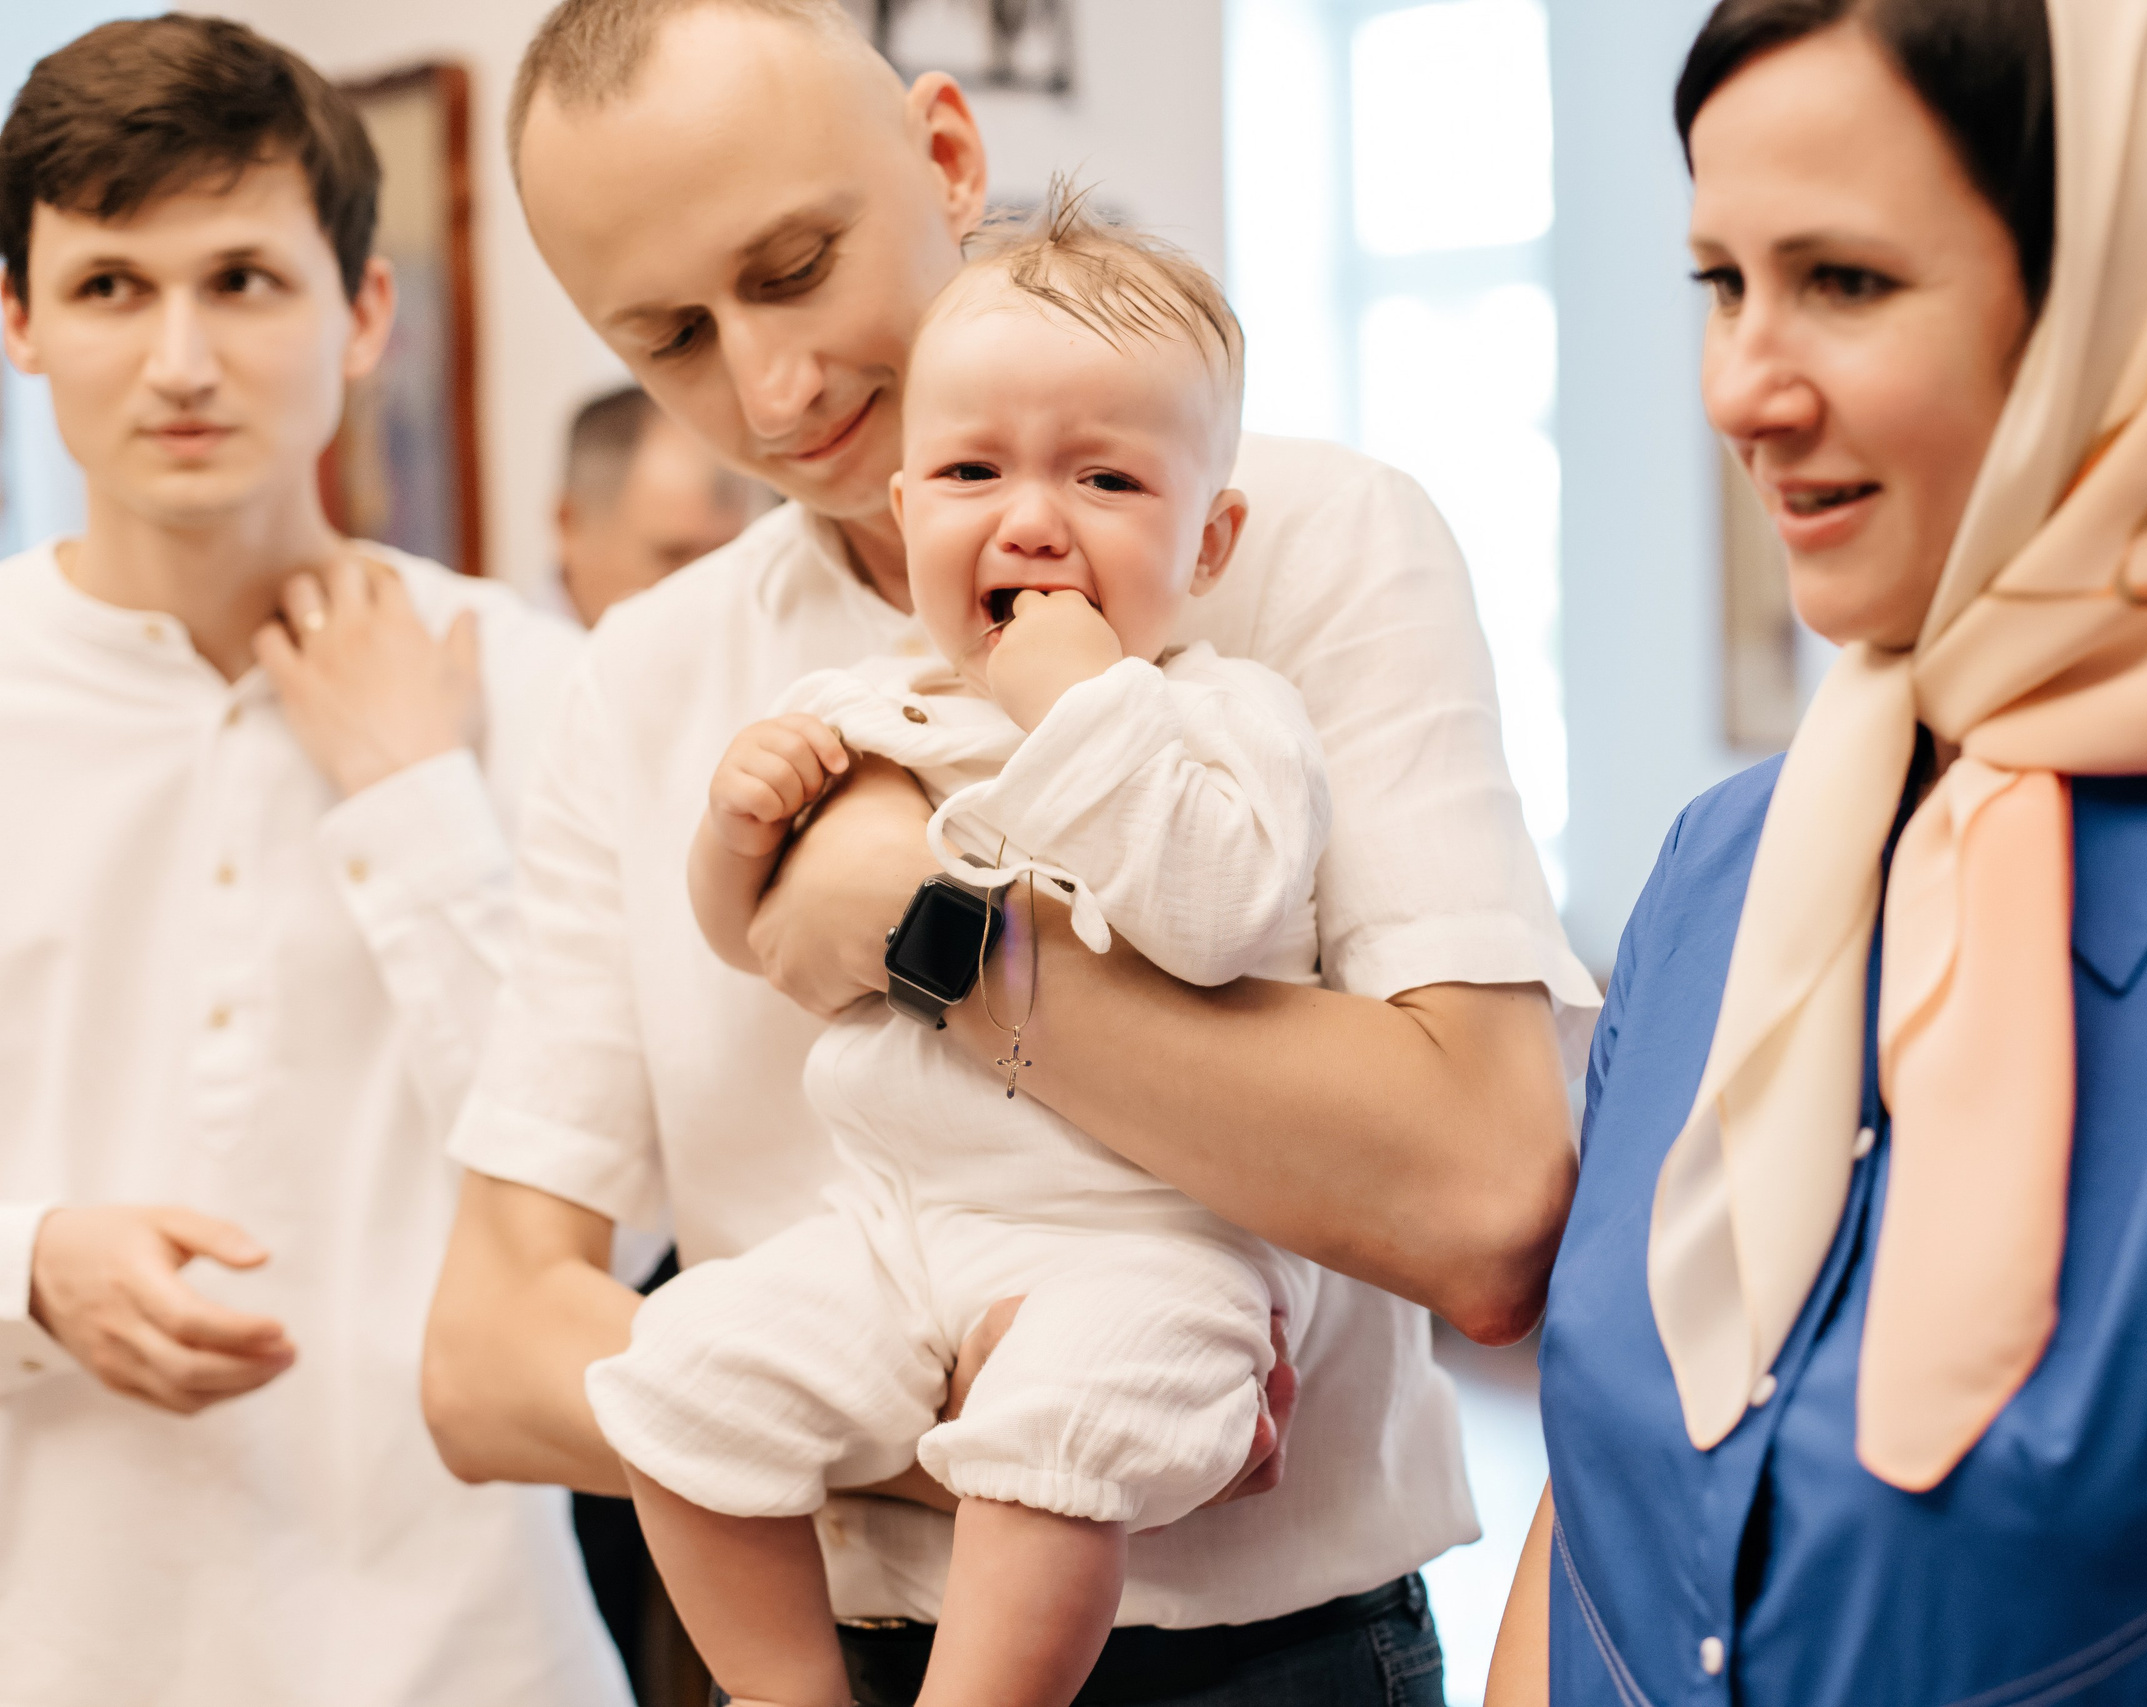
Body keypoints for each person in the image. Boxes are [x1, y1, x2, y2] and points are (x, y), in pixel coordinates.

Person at [423, 0, 1596, 1700]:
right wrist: (1016, 1443)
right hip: (832, 1635)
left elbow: (1487, 1205)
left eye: (794, 265)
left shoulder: (1314, 545)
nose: (770, 385)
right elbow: (484, 1353)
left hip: (1272, 1664)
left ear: (949, 157)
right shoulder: (653, 673)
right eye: (668, 336)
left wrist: (927, 930)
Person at [1489, 0, 2147, 1702]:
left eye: (1842, 281)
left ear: (2107, 304)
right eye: (1721, 280)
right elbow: (1611, 1487)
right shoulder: (1722, 871)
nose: (1739, 389)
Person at [601, 199, 1344, 1707]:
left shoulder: (1223, 717)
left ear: (1208, 539)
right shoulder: (875, 706)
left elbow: (1216, 920)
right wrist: (738, 834)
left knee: (1056, 1426)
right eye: (970, 471)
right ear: (901, 501)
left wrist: (1086, 707)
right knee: (671, 1373)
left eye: (1106, 475)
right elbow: (766, 946)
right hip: (900, 1223)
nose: (1029, 517)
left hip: (1148, 1239)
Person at [0, 17, 626, 1707]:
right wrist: (29, 1259)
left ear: (361, 315)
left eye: (245, 282)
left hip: (479, 1656)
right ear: (20, 319)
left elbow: (625, 1228)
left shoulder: (546, 690)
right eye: (115, 287)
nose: (181, 359)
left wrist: (417, 805)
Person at [554, 382, 756, 627]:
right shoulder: (504, 658)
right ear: (569, 526)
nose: (710, 596)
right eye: (674, 557)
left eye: (727, 558)